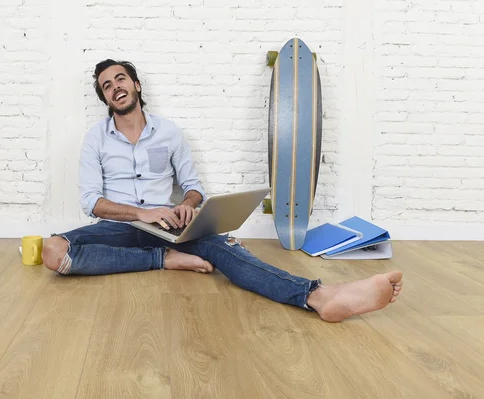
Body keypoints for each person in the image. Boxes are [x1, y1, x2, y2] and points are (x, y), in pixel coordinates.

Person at [42, 59, 403, 323]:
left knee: (230, 252)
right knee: (54, 251)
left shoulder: (169, 133)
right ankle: (164, 261)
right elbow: (92, 202)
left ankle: (319, 296)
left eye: (120, 78)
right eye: (107, 85)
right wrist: (141, 214)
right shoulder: (95, 138)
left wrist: (186, 204)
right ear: (106, 99)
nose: (115, 86)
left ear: (137, 85)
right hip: (121, 227)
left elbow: (194, 188)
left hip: (170, 226)